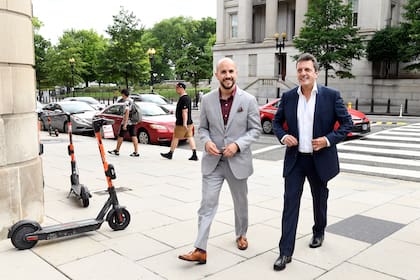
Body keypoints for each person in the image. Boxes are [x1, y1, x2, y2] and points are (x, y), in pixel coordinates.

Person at [272, 53, 353, 271]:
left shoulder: (331, 96)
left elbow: (347, 124)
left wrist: (327, 140)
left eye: (307, 70)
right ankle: (285, 252)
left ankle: (319, 231)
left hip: (320, 160)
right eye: (300, 70)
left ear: (315, 73)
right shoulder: (289, 97)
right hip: (296, 160)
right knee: (290, 204)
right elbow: (276, 123)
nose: (303, 73)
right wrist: (282, 136)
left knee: (319, 199)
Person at [178, 57, 261, 264]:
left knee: (240, 203)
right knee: (207, 204)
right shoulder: (207, 100)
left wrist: (238, 145)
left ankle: (241, 234)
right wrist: (205, 142)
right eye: (223, 72)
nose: (228, 76)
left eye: (231, 71)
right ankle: (200, 248)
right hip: (213, 162)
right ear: (217, 75)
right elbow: (203, 128)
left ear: (236, 73)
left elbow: (255, 130)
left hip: (238, 161)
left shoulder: (248, 100)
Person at [160, 82, 198, 161]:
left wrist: (184, 123)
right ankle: (194, 154)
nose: (176, 89)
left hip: (182, 123)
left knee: (175, 137)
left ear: (181, 88)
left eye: (177, 88)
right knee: (190, 137)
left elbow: (185, 111)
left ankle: (170, 154)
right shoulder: (187, 98)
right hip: (189, 122)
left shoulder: (183, 98)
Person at [108, 88, 140, 157]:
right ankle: (136, 152)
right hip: (133, 122)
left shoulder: (127, 102)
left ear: (123, 94)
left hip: (127, 122)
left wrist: (125, 124)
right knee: (134, 135)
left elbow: (127, 112)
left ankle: (117, 150)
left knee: (120, 135)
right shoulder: (132, 100)